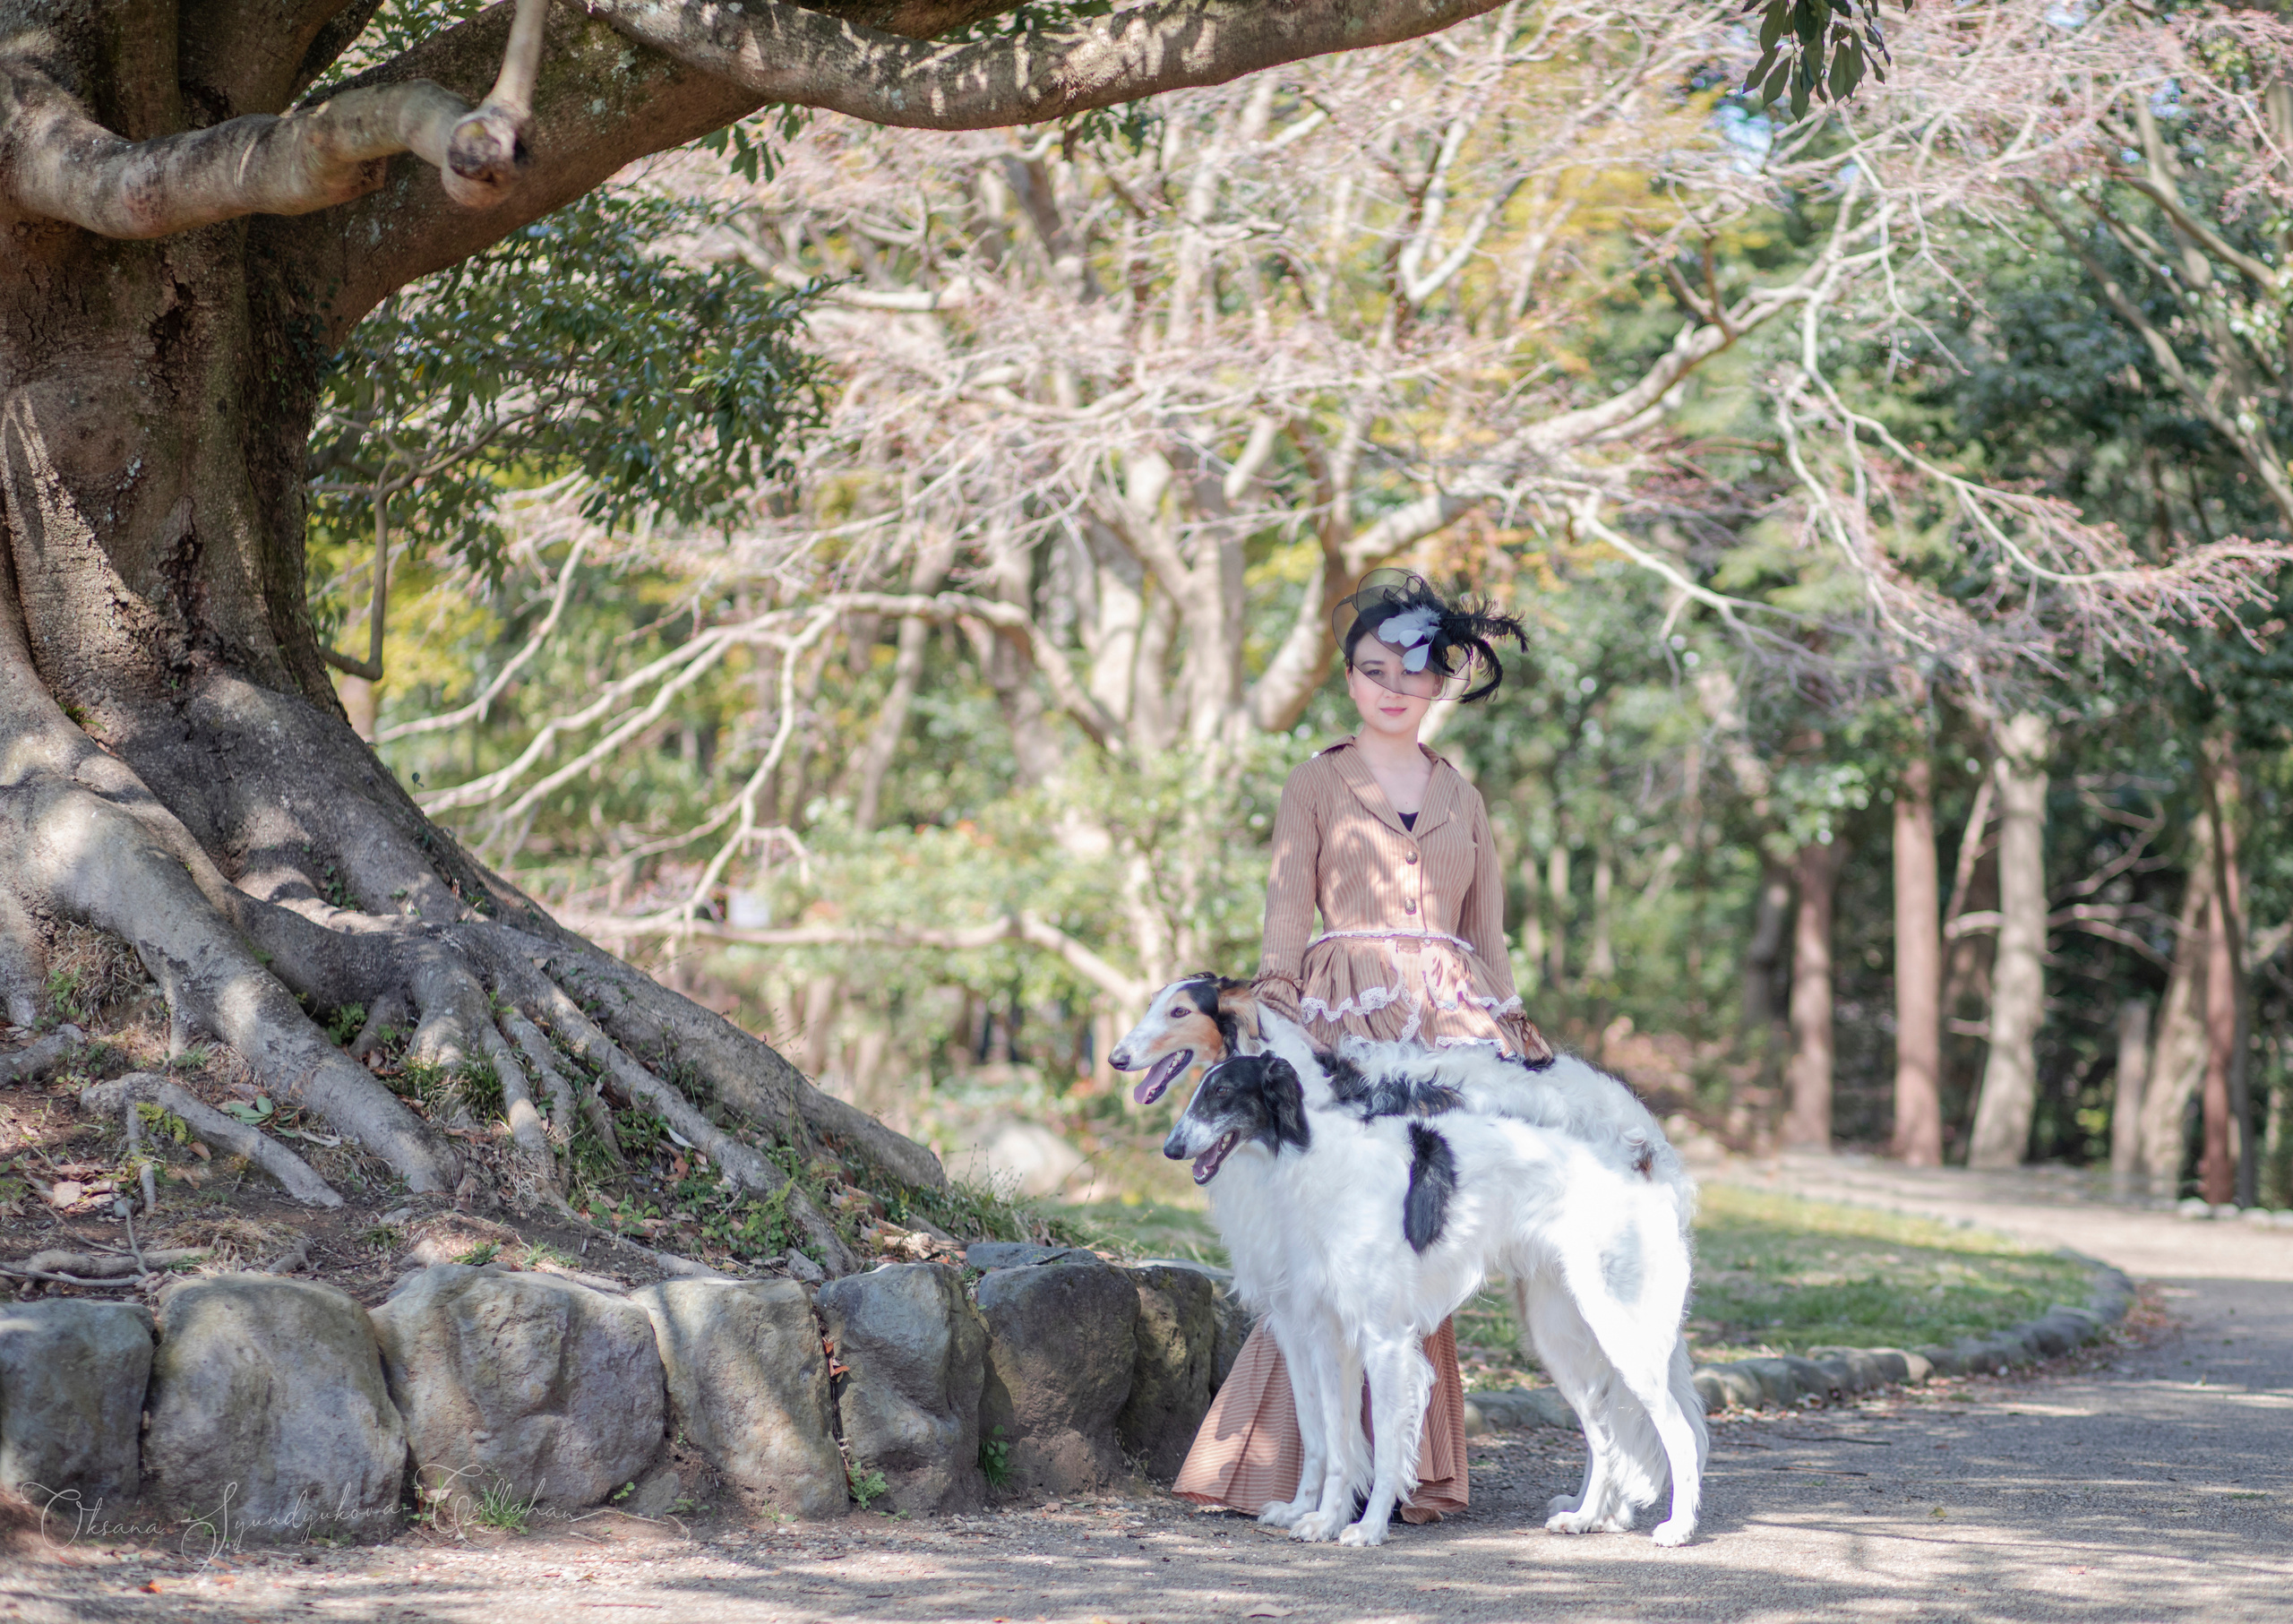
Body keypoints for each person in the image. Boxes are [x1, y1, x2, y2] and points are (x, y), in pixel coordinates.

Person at [1173, 569, 1554, 1527]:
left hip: (1448, 1037)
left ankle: (1416, 1474)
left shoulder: (1465, 797)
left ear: (1441, 681)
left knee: (1417, 1245)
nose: (1391, 686)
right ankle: (1282, 1472)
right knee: (1323, 1250)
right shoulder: (1315, 781)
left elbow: (1488, 934)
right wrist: (1274, 1020)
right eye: (1372, 669)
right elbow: (1283, 919)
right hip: (1344, 1024)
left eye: (1411, 670)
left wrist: (1512, 1025)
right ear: (1348, 677)